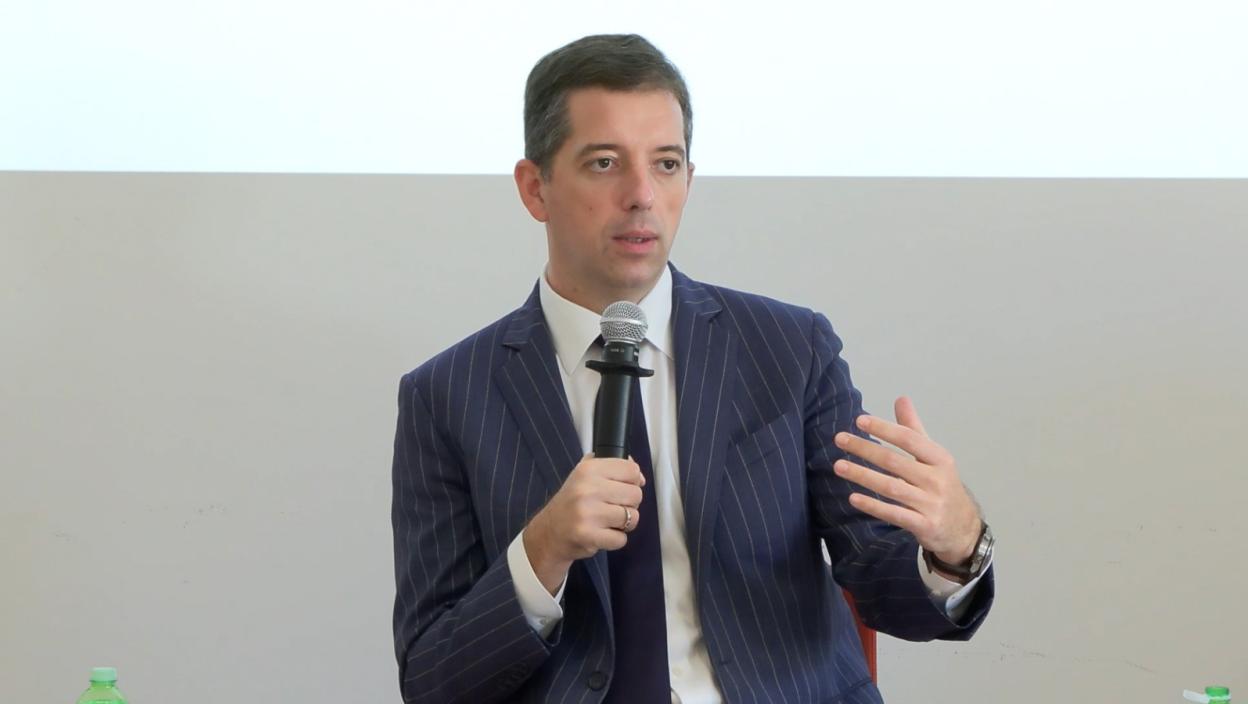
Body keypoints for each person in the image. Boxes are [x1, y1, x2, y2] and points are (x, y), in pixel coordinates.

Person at [391, 34, 995, 704]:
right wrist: (542, 551)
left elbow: (883, 583)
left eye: (667, 164)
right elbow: (433, 679)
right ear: (536, 189)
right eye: (603, 163)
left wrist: (955, 546)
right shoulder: (446, 397)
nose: (642, 195)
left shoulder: (788, 348)